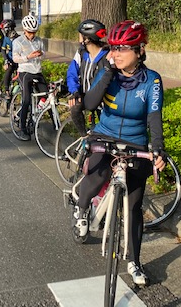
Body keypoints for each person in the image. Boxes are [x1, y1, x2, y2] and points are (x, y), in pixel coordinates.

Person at [73, 20, 167, 286]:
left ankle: (135, 262)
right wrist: (107, 74)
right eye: (112, 48)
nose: (114, 54)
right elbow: (89, 105)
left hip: (136, 142)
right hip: (105, 134)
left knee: (135, 207)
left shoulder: (152, 80)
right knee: (95, 178)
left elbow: (154, 117)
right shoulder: (107, 71)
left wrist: (157, 147)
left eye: (122, 49)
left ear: (139, 50)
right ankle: (82, 211)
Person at [66, 19, 110, 136]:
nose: (79, 38)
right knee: (75, 109)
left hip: (103, 100)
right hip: (85, 96)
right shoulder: (81, 53)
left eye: (81, 35)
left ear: (87, 38)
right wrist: (74, 91)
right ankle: (84, 137)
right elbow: (72, 72)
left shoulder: (107, 55)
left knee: (105, 130)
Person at [11, 15, 47, 141]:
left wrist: (41, 54)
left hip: (37, 71)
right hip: (25, 72)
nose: (32, 35)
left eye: (34, 32)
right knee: (26, 100)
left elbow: (43, 55)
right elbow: (15, 58)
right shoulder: (18, 42)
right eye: (30, 32)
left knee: (46, 95)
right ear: (25, 31)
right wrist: (28, 57)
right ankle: (22, 129)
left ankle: (34, 115)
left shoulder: (39, 41)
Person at [0, 19, 19, 98]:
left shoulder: (19, 38)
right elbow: (3, 50)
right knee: (9, 70)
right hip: (10, 60)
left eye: (4, 29)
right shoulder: (6, 38)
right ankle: (6, 91)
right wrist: (6, 60)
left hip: (19, 61)